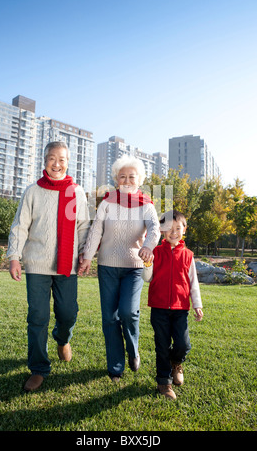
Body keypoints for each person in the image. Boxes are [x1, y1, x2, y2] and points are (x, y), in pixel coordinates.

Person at [7, 141, 90, 392]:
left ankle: (63, 339)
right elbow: (20, 225)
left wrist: (85, 255)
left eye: (62, 159)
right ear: (45, 161)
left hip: (68, 266)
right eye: (52, 158)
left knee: (68, 313)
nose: (57, 163)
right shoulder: (33, 191)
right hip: (36, 264)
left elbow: (84, 227)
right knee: (38, 317)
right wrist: (14, 256)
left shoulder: (76, 192)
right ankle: (39, 368)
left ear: (68, 162)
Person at [78, 155, 160, 382]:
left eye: (131, 176)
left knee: (128, 312)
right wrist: (86, 257)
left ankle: (133, 350)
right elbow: (96, 231)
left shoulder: (147, 204)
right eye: (122, 176)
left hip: (133, 267)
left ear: (139, 179)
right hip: (107, 266)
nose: (127, 180)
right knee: (109, 318)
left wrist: (148, 246)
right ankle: (115, 367)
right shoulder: (107, 202)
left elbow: (155, 229)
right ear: (115, 179)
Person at [142, 209, 203, 400]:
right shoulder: (155, 252)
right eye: (168, 228)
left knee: (183, 344)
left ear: (184, 229)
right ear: (161, 230)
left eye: (178, 228)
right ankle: (164, 382)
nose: (173, 232)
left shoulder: (188, 255)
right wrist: (147, 263)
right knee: (161, 345)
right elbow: (147, 278)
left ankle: (177, 362)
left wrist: (197, 305)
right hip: (159, 308)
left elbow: (193, 283)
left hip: (180, 309)